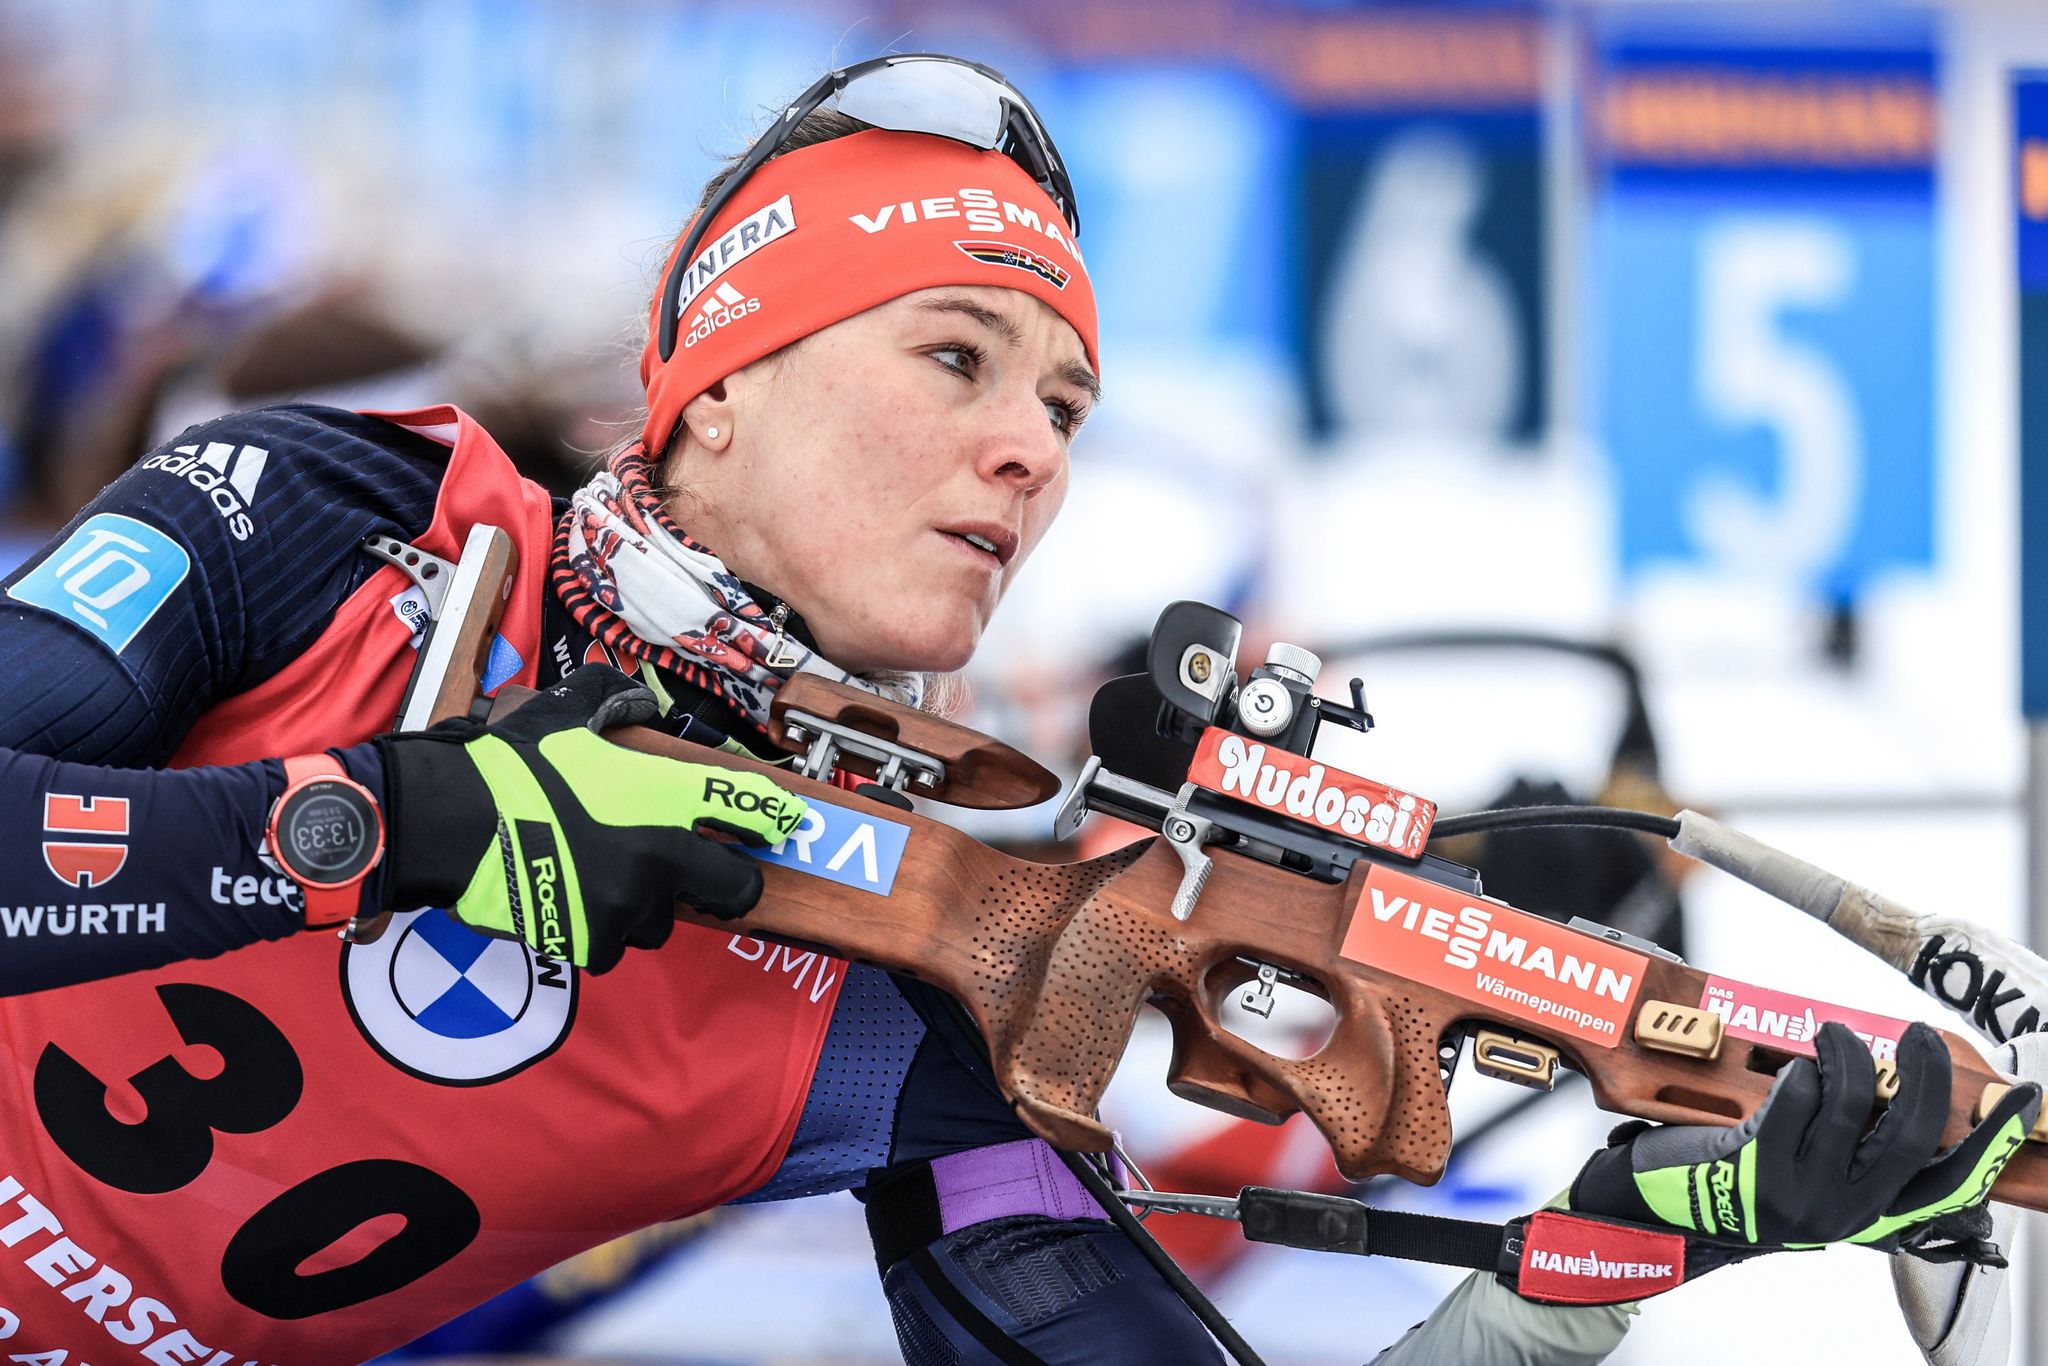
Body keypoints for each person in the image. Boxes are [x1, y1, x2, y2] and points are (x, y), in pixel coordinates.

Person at [0, 52, 2029, 1366]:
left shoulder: (914, 971)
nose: (1031, 450)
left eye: (1065, 403)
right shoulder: (331, 516)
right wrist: (393, 820)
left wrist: (1589, 1263)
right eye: (954, 357)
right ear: (718, 382)